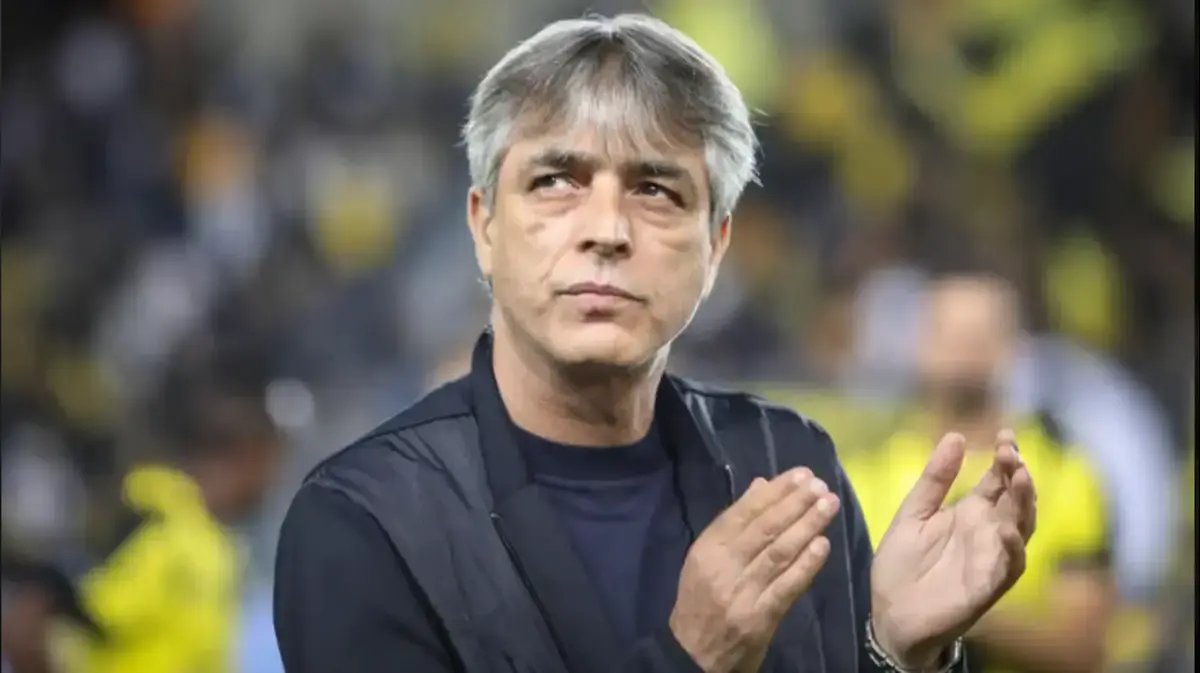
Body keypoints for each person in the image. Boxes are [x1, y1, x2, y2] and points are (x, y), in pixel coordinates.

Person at [273, 14, 1037, 673]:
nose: (607, 230)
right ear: (484, 227)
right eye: (556, 181)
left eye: (655, 190)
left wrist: (896, 651)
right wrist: (689, 656)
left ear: (717, 246)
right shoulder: (366, 520)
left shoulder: (789, 467)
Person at [843, 273, 1114, 672]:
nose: (965, 347)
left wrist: (965, 613)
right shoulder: (862, 475)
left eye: (981, 333)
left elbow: (1084, 650)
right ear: (919, 344)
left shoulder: (1066, 476)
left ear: (1016, 348)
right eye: (950, 332)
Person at [55, 382, 284, 673]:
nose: (271, 481)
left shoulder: (207, 540)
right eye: (268, 465)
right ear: (245, 459)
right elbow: (77, 624)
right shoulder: (151, 522)